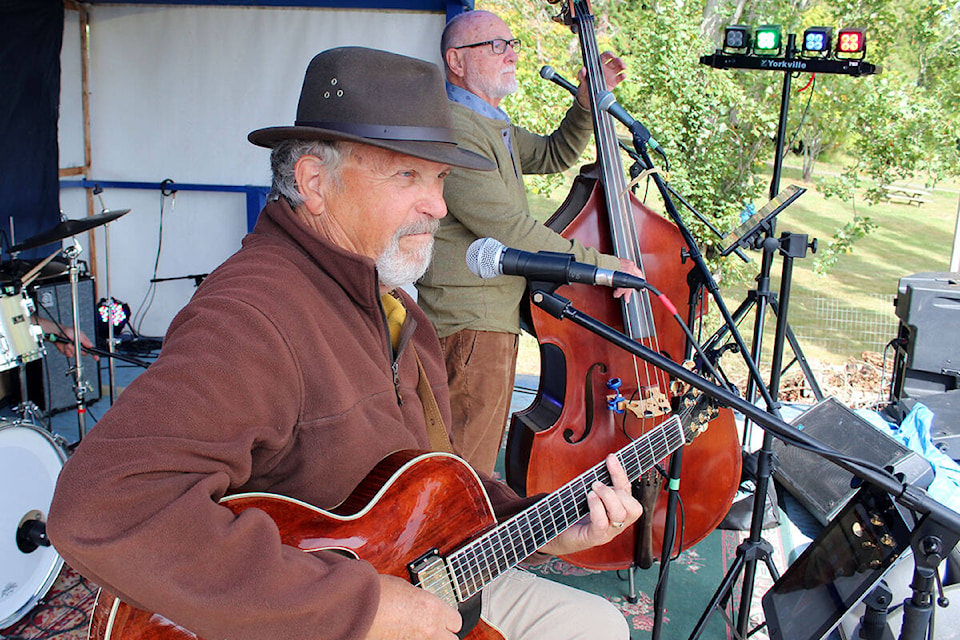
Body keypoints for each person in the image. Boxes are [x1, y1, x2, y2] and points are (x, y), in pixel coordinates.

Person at [47, 47, 642, 640]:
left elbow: (432, 482)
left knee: (596, 625)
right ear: (314, 182)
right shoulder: (251, 317)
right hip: (313, 614)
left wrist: (540, 526)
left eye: (438, 178)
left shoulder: (395, 305)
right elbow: (102, 507)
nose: (437, 205)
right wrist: (357, 608)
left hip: (421, 572)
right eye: (406, 174)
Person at [416, 10, 642, 476]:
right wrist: (602, 265)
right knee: (465, 469)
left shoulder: (487, 122)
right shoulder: (456, 129)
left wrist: (583, 107)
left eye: (512, 42)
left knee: (468, 459)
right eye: (497, 45)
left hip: (487, 320)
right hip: (470, 323)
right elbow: (511, 229)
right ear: (456, 61)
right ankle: (459, 549)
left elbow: (556, 152)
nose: (513, 54)